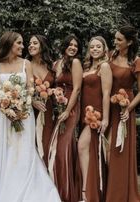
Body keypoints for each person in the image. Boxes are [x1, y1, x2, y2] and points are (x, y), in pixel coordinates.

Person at [0, 31, 61, 202]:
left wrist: (21, 105)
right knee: (6, 151)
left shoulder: (26, 63)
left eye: (22, 43)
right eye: (19, 43)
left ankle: (29, 189)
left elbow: (30, 88)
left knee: (24, 151)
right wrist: (5, 105)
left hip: (24, 114)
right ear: (9, 44)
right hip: (5, 116)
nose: (22, 46)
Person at [106, 25, 140, 202]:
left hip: (124, 108)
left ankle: (119, 195)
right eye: (115, 38)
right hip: (107, 106)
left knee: (119, 150)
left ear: (130, 41)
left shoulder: (135, 61)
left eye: (119, 39)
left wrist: (128, 108)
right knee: (106, 148)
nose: (116, 41)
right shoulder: (111, 55)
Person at [49, 34, 83, 201]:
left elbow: (77, 89)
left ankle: (67, 193)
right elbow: (53, 86)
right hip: (58, 108)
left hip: (70, 109)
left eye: (76, 46)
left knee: (62, 149)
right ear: (64, 46)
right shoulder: (56, 64)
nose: (73, 47)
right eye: (70, 44)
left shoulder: (76, 63)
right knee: (56, 148)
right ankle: (56, 188)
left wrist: (67, 110)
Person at [78, 36, 112, 201]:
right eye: (92, 47)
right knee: (89, 150)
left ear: (104, 48)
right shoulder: (87, 67)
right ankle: (91, 191)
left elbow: (106, 93)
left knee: (82, 146)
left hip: (96, 114)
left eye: (98, 46)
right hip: (84, 114)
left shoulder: (104, 66)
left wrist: (105, 119)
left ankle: (86, 192)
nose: (95, 49)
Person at [27, 34, 55, 167]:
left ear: (42, 46)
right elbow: (20, 90)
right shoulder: (25, 66)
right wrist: (32, 101)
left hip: (47, 110)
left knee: (47, 141)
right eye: (30, 43)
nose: (30, 45)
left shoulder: (51, 66)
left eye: (34, 43)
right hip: (29, 111)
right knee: (31, 143)